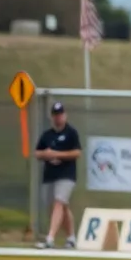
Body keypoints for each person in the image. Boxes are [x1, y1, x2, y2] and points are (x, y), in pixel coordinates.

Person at [34, 101, 81, 249]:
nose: (58, 118)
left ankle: (50, 238)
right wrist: (46, 154)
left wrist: (58, 154)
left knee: (59, 202)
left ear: (65, 115)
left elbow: (77, 152)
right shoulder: (47, 135)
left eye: (60, 115)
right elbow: (37, 152)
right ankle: (71, 237)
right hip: (50, 175)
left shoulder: (71, 133)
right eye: (55, 115)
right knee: (60, 207)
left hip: (66, 174)